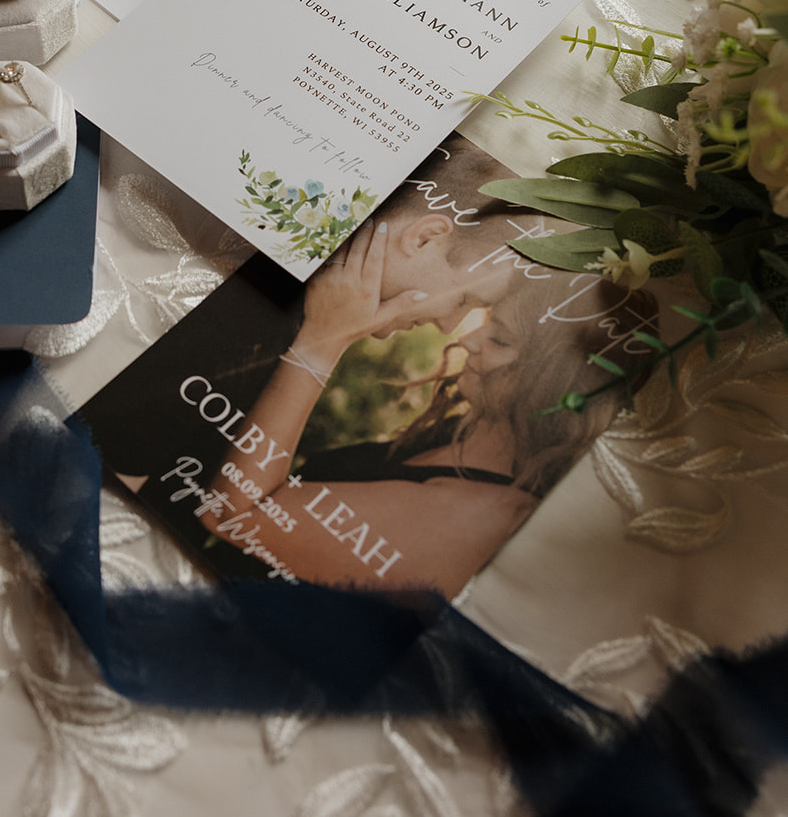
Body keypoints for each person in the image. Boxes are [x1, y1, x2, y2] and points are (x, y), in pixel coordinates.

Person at [194, 208, 654, 595]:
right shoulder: (455, 439)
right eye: (485, 322)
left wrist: (322, 340)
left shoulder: (479, 518)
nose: (467, 340)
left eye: (499, 340)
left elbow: (232, 515)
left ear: (553, 380)